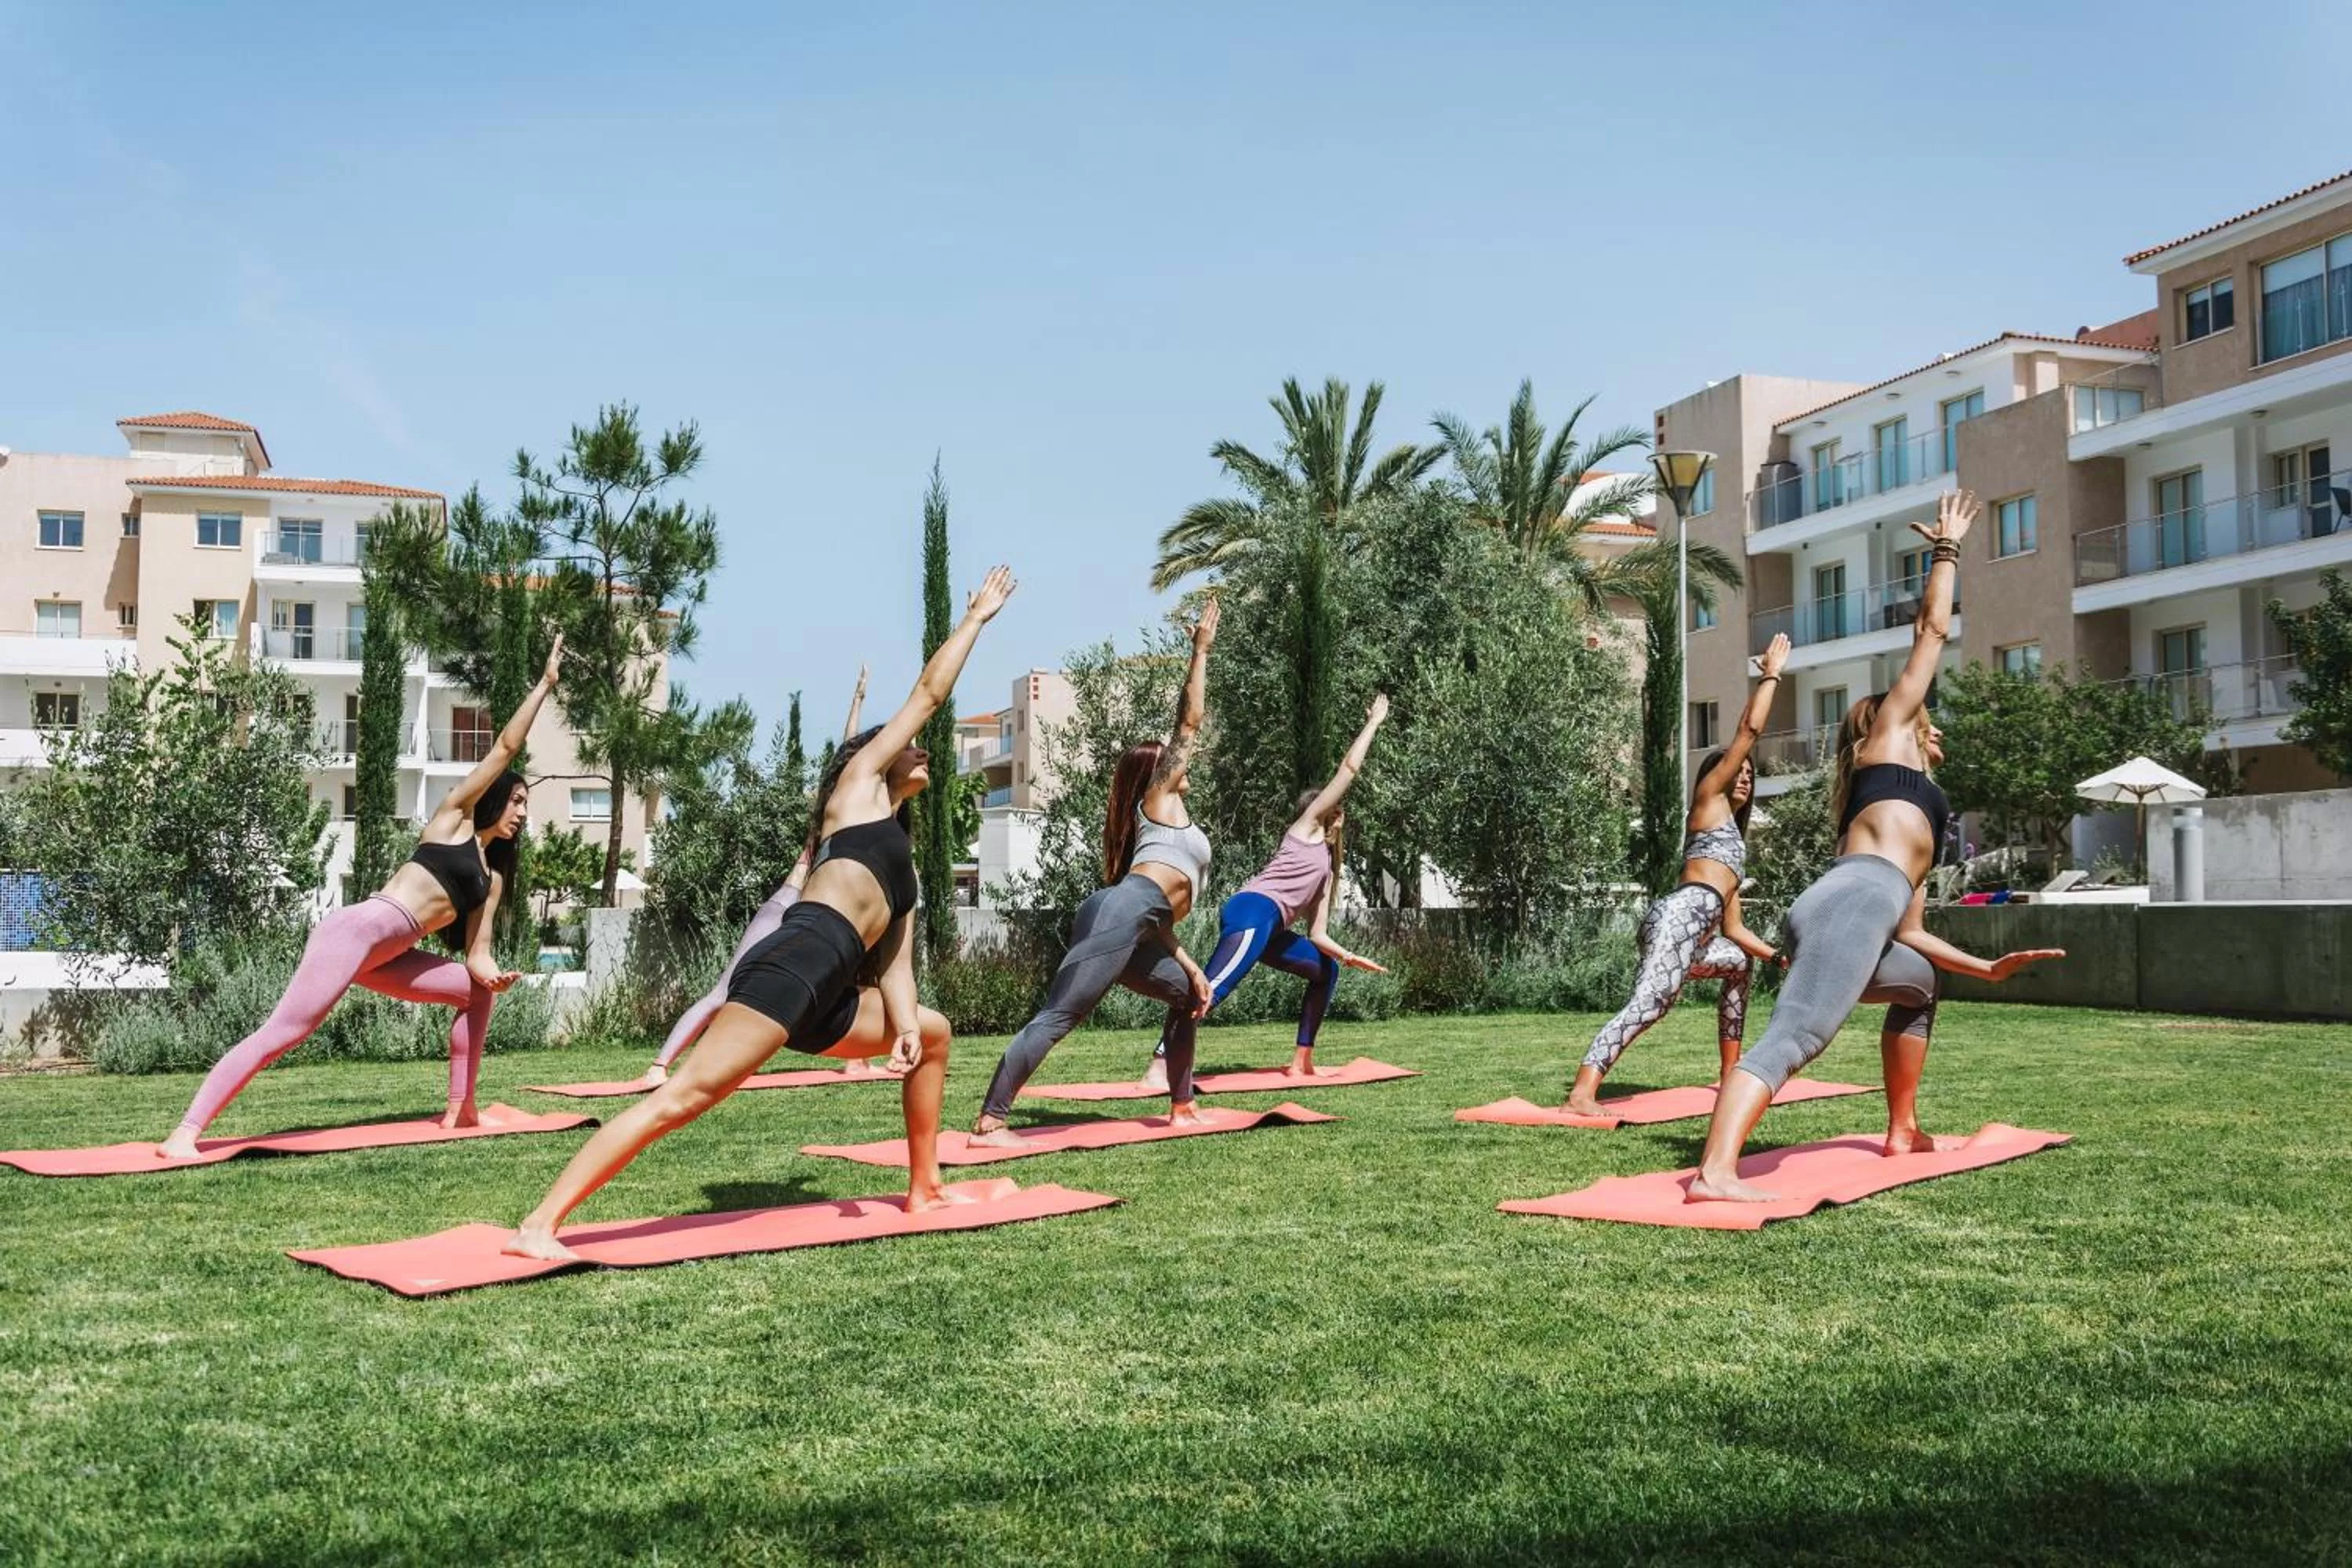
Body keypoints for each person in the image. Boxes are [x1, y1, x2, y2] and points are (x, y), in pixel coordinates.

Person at [504, 569, 1016, 1258]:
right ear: (869, 760)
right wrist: (976, 620)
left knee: (934, 1033)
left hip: (830, 996)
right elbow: (929, 694)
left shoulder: (905, 867)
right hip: (792, 963)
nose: (920, 751)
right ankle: (538, 1224)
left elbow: (897, 964)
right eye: (907, 746)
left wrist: (900, 1024)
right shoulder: (857, 796)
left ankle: (924, 1186)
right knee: (682, 1100)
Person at [1686, 492, 2063, 1202]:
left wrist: (1986, 967)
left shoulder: (1928, 808)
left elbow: (1913, 930)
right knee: (1796, 1038)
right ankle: (1713, 1173)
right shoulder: (1887, 738)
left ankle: (1903, 1128)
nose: (1932, 723)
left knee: (1920, 986)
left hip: (1865, 911)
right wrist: (1947, 551)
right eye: (1926, 717)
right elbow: (1930, 634)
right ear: (1895, 725)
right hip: (1852, 904)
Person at [159, 637, 565, 1159]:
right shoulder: (454, 819)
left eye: (527, 805)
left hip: (387, 955)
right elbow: (507, 747)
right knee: (287, 1031)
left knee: (474, 990)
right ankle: (184, 1132)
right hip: (356, 933)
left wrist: (494, 975)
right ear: (492, 798)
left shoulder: (494, 878)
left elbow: (477, 953)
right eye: (516, 800)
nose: (522, 812)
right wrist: (546, 684)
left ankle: (462, 1109)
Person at [970, 601, 1221, 1145]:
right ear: (1155, 776)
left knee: (1187, 996)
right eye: (1175, 761)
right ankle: (991, 1121)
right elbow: (1189, 722)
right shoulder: (1159, 799)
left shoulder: (1162, 822)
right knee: (1061, 1016)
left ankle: (1182, 1106)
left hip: (1137, 921)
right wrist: (1199, 651)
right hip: (1119, 913)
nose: (1187, 762)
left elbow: (1156, 916)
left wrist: (1190, 963)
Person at [1565, 636, 1790, 1116]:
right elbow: (1749, 729)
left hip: (1702, 932)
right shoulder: (1708, 802)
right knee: (1651, 1004)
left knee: (1737, 962)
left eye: (1752, 774)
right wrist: (1770, 675)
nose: (1745, 776)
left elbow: (1734, 930)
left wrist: (1775, 956)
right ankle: (1582, 1093)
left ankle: (1731, 1074)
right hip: (1677, 918)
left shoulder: (1734, 848)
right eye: (1739, 771)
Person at [638, 666, 894, 1086]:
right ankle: (659, 1066)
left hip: (823, 917)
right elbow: (849, 756)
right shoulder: (837, 812)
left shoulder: (870, 822)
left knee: (850, 981)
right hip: (788, 908)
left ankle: (856, 1061)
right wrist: (858, 703)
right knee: (725, 992)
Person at [1138, 692, 1392, 1090]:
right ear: (1327, 811)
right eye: (1335, 807)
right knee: (1214, 987)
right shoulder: (1304, 829)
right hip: (1252, 911)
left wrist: (1348, 956)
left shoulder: (1325, 870)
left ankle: (1301, 1063)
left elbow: (1318, 935)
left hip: (1271, 927)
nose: (1339, 811)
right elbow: (1349, 769)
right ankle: (1158, 1065)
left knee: (1325, 971)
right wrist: (1374, 723)